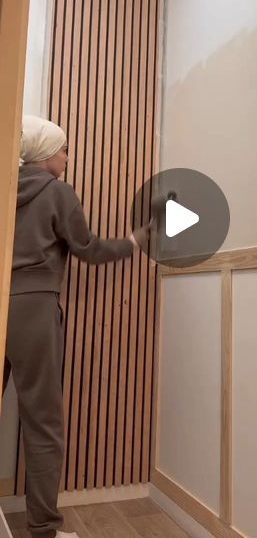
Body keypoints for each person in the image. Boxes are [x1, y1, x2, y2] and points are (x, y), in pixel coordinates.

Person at [2, 115, 149, 538]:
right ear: (47, 153)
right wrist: (136, 241)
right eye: (64, 149)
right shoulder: (57, 192)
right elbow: (89, 248)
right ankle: (43, 529)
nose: (68, 156)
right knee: (43, 423)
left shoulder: (5, 189)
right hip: (33, 308)